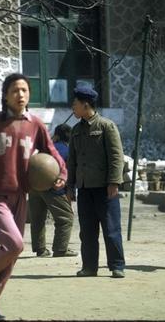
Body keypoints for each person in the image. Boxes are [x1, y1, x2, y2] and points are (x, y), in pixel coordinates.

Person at [0, 73, 66, 320]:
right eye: (15, 90)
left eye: (25, 90)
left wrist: (62, 173)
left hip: (21, 195)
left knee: (12, 254)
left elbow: (51, 152)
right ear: (5, 95)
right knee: (15, 245)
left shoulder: (36, 124)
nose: (21, 95)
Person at [67, 85, 126, 279]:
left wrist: (114, 182)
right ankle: (89, 267)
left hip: (104, 188)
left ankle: (117, 265)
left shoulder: (106, 126)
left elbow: (116, 157)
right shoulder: (76, 130)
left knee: (111, 229)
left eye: (75, 104)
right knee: (87, 232)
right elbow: (72, 161)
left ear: (85, 105)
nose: (72, 107)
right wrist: (70, 186)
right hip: (84, 188)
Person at [29, 123, 76, 258]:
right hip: (54, 188)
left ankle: (40, 249)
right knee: (66, 218)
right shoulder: (67, 151)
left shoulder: (46, 148)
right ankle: (60, 249)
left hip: (34, 187)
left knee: (37, 219)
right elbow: (69, 173)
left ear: (55, 135)